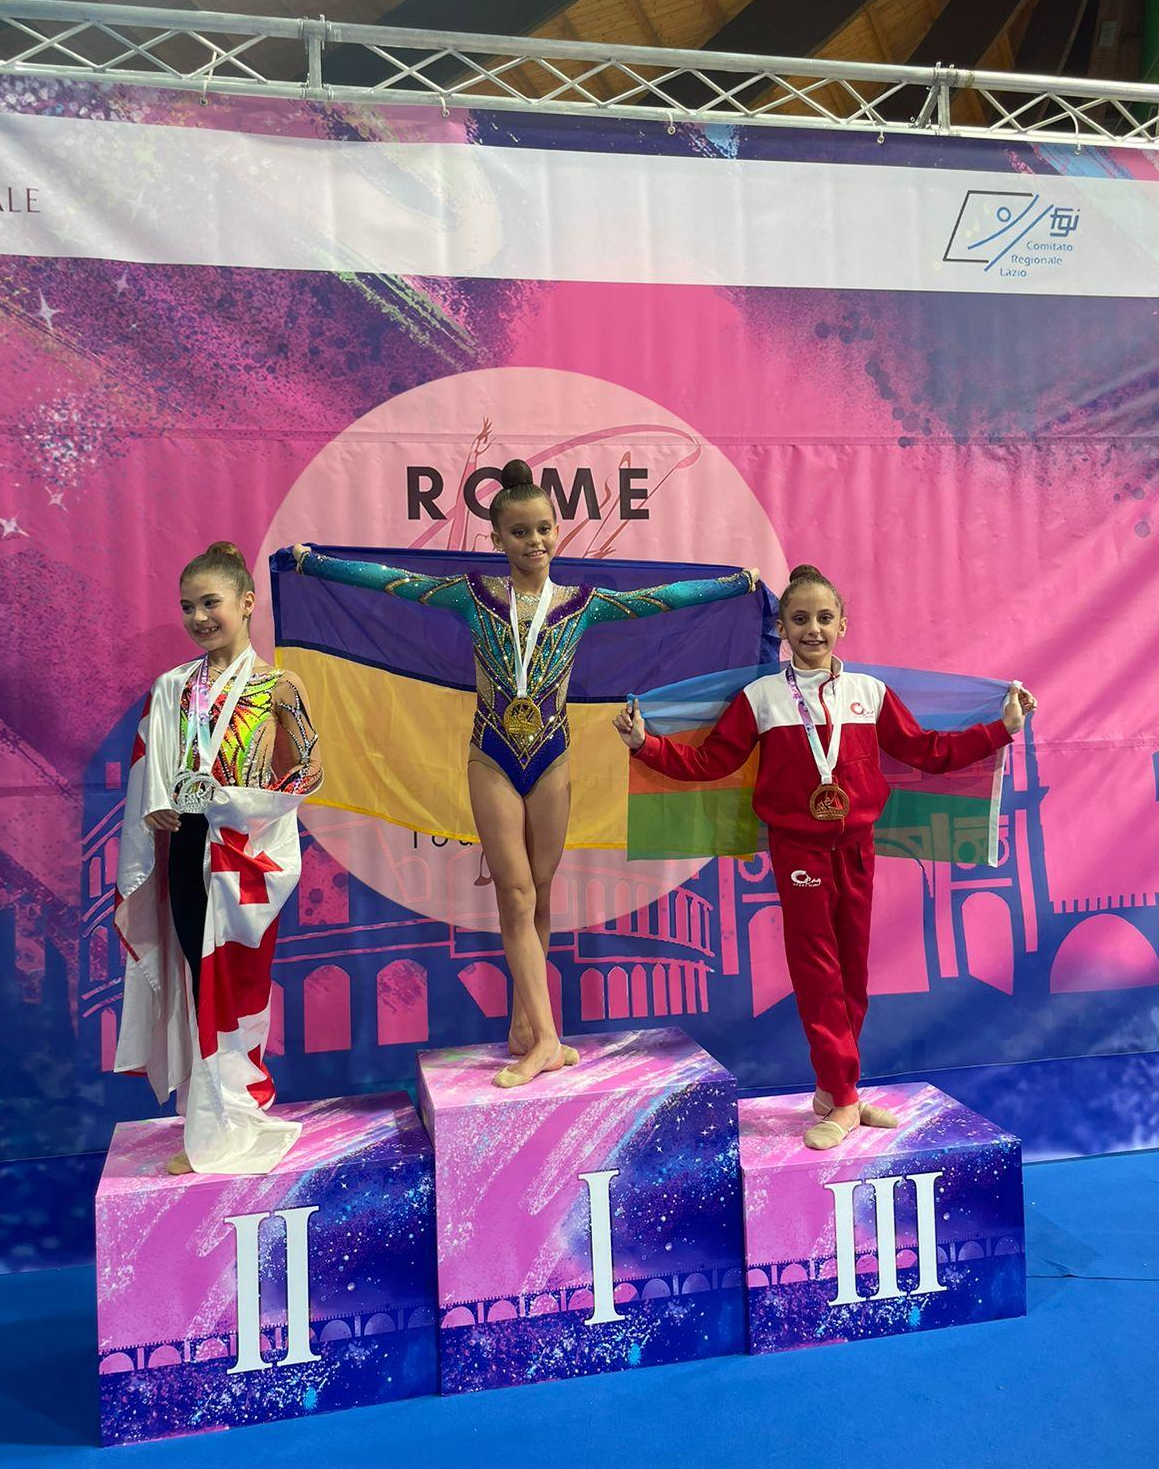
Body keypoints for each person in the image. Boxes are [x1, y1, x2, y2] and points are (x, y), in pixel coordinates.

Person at [290, 459, 761, 1089]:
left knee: (540, 892)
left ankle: (523, 1024)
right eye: (519, 532)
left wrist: (735, 584)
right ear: (496, 538)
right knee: (513, 895)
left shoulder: (582, 606)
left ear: (557, 530)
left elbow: (661, 600)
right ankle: (546, 1040)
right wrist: (314, 564)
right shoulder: (472, 596)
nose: (533, 541)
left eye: (543, 529)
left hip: (553, 759)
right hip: (492, 755)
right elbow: (392, 583)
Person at [615, 563, 1037, 1150]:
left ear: (843, 624)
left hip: (859, 847)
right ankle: (842, 1098)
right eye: (799, 619)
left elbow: (926, 751)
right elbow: (712, 762)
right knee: (818, 972)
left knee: (854, 973)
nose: (812, 628)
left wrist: (1001, 728)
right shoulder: (761, 697)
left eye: (823, 617)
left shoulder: (870, 693)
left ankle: (837, 1089)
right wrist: (646, 745)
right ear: (782, 629)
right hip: (798, 851)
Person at [114, 541, 322, 1175]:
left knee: (237, 988)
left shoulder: (278, 686)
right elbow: (153, 771)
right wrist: (158, 803)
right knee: (197, 983)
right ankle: (209, 1124)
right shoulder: (173, 687)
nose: (199, 617)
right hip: (187, 848)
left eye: (211, 603)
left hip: (245, 859)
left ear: (247, 602)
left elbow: (311, 769)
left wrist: (244, 804)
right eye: (187, 607)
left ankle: (239, 1109)